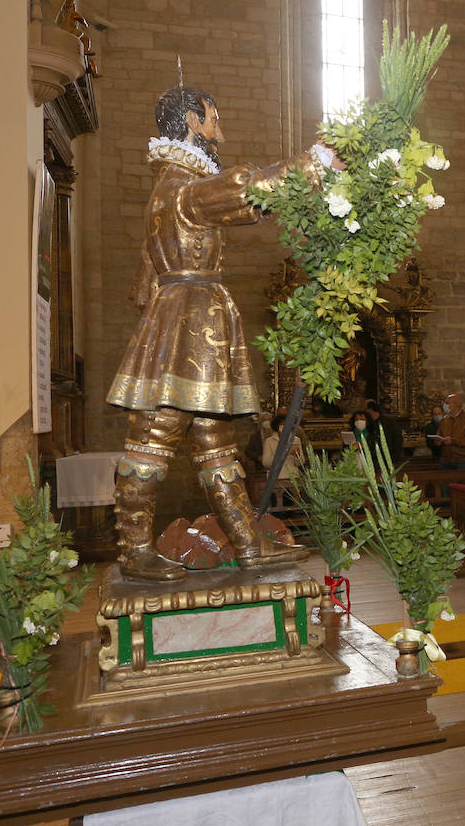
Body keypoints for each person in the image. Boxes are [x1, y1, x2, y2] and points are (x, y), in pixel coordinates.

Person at [106, 83, 326, 579]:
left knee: (214, 438)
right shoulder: (181, 186)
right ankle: (134, 551)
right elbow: (243, 190)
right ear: (190, 122)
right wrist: (312, 164)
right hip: (189, 316)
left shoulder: (164, 189)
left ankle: (249, 544)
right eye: (213, 118)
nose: (220, 131)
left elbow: (142, 287)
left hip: (181, 314)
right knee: (155, 433)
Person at [431, 393, 465, 468]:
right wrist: (438, 441)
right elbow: (439, 434)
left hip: (462, 460)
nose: (445, 405)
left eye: (447, 403)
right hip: (445, 459)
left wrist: (453, 441)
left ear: (455, 404)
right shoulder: (444, 420)